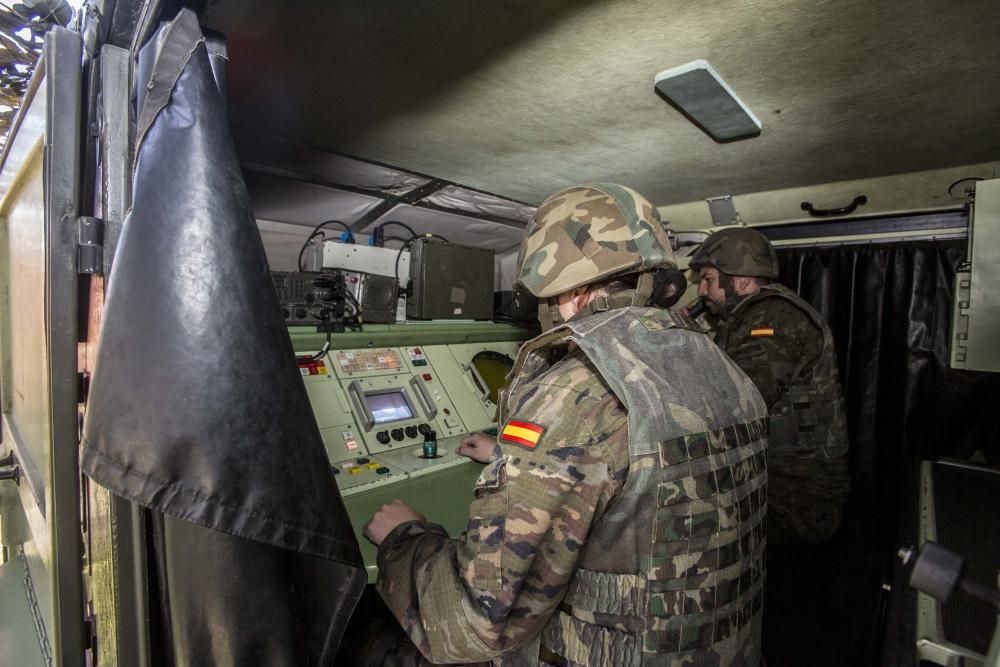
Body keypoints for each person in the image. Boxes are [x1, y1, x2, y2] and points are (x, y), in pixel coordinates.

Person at [364, 183, 768, 666]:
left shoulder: (575, 390)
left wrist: (404, 537)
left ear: (571, 292)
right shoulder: (719, 364)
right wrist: (514, 458)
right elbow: (649, 478)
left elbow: (474, 622)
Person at [688, 227, 850, 545]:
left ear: (742, 280)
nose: (702, 291)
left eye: (707, 279)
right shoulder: (747, 318)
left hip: (794, 489)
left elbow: (735, 404)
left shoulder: (772, 321)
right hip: (775, 479)